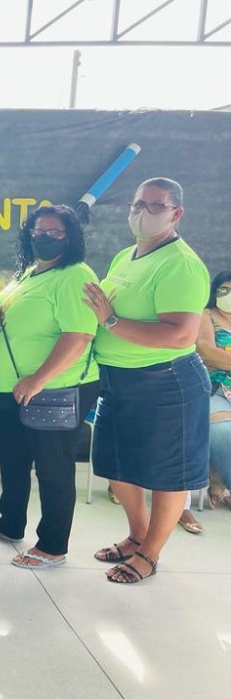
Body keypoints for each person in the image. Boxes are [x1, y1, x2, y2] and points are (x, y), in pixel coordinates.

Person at [84, 177, 209, 584]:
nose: (143, 213)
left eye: (156, 206)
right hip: (118, 381)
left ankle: (149, 554)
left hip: (166, 383)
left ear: (177, 213)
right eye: (138, 205)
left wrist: (110, 322)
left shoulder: (181, 264)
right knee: (117, 466)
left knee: (167, 476)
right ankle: (136, 536)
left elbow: (180, 335)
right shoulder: (127, 255)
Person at [0, 205, 100, 568]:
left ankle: (53, 546)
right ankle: (9, 523)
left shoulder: (75, 275)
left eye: (56, 232)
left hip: (54, 388)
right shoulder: (30, 273)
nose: (45, 238)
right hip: (13, 388)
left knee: (53, 469)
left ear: (71, 237)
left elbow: (79, 335)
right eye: (38, 231)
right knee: (13, 460)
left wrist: (39, 378)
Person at [196, 271, 231, 510]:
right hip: (215, 390)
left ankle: (216, 477)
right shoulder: (205, 315)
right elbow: (206, 351)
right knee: (223, 432)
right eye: (224, 290)